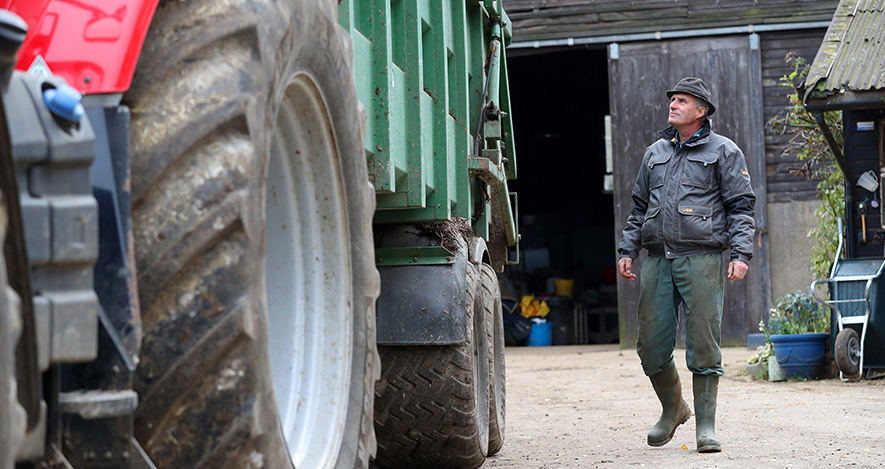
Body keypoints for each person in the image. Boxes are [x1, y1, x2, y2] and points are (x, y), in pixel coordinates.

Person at [616, 77, 756, 453]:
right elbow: (639, 209)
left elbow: (741, 208)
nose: (673, 105)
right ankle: (673, 408)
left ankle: (706, 427)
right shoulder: (654, 153)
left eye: (682, 100)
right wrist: (627, 250)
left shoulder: (724, 151)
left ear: (701, 110)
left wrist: (740, 255)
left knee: (704, 345)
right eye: (672, 100)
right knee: (650, 344)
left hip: (703, 260)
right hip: (657, 260)